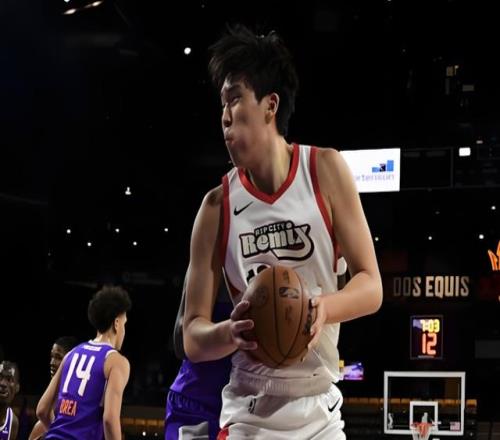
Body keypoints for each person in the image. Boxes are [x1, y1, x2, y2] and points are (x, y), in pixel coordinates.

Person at [182, 24, 383, 439]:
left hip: (319, 407)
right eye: (221, 104)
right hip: (250, 407)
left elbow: (371, 285)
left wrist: (323, 308)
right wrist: (229, 332)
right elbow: (192, 337)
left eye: (234, 98)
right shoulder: (216, 207)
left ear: (270, 105)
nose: (224, 116)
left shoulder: (324, 170)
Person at [36, 286, 132, 440]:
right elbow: (109, 419)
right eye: (124, 324)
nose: (124, 330)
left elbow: (42, 410)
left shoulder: (71, 354)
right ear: (116, 323)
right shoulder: (117, 362)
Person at [165, 272, 233, 440]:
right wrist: (233, 332)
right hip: (198, 401)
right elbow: (180, 343)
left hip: (248, 403)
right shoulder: (213, 262)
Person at [28, 336, 78, 440]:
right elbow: (41, 411)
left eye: (58, 357)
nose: (52, 362)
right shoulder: (42, 425)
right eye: (52, 357)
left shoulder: (76, 395)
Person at [0, 361, 20, 440]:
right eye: (0, 378)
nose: (3, 384)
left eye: (9, 379)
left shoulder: (13, 422)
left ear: (17, 388)